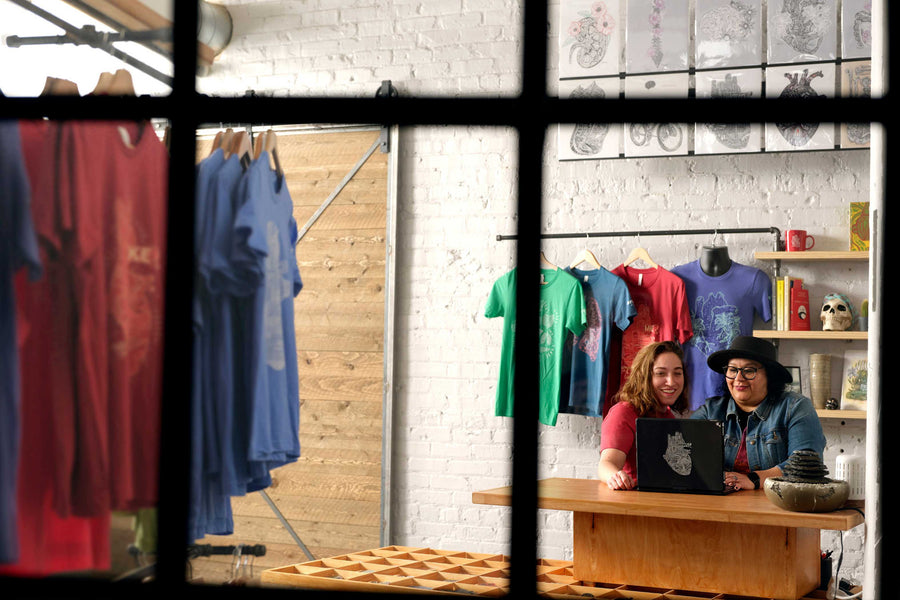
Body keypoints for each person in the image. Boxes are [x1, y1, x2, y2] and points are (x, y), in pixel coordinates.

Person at [691, 335, 826, 491]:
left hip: (777, 502)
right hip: (720, 503)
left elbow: (807, 466)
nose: (738, 378)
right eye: (733, 370)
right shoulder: (710, 411)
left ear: (770, 375)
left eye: (749, 371)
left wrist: (754, 479)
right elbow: (682, 449)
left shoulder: (795, 407)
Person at [598, 341, 690, 490]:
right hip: (633, 498)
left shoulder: (668, 416)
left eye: (677, 373)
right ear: (644, 376)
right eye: (661, 373)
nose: (671, 381)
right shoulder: (623, 412)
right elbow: (607, 464)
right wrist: (615, 477)